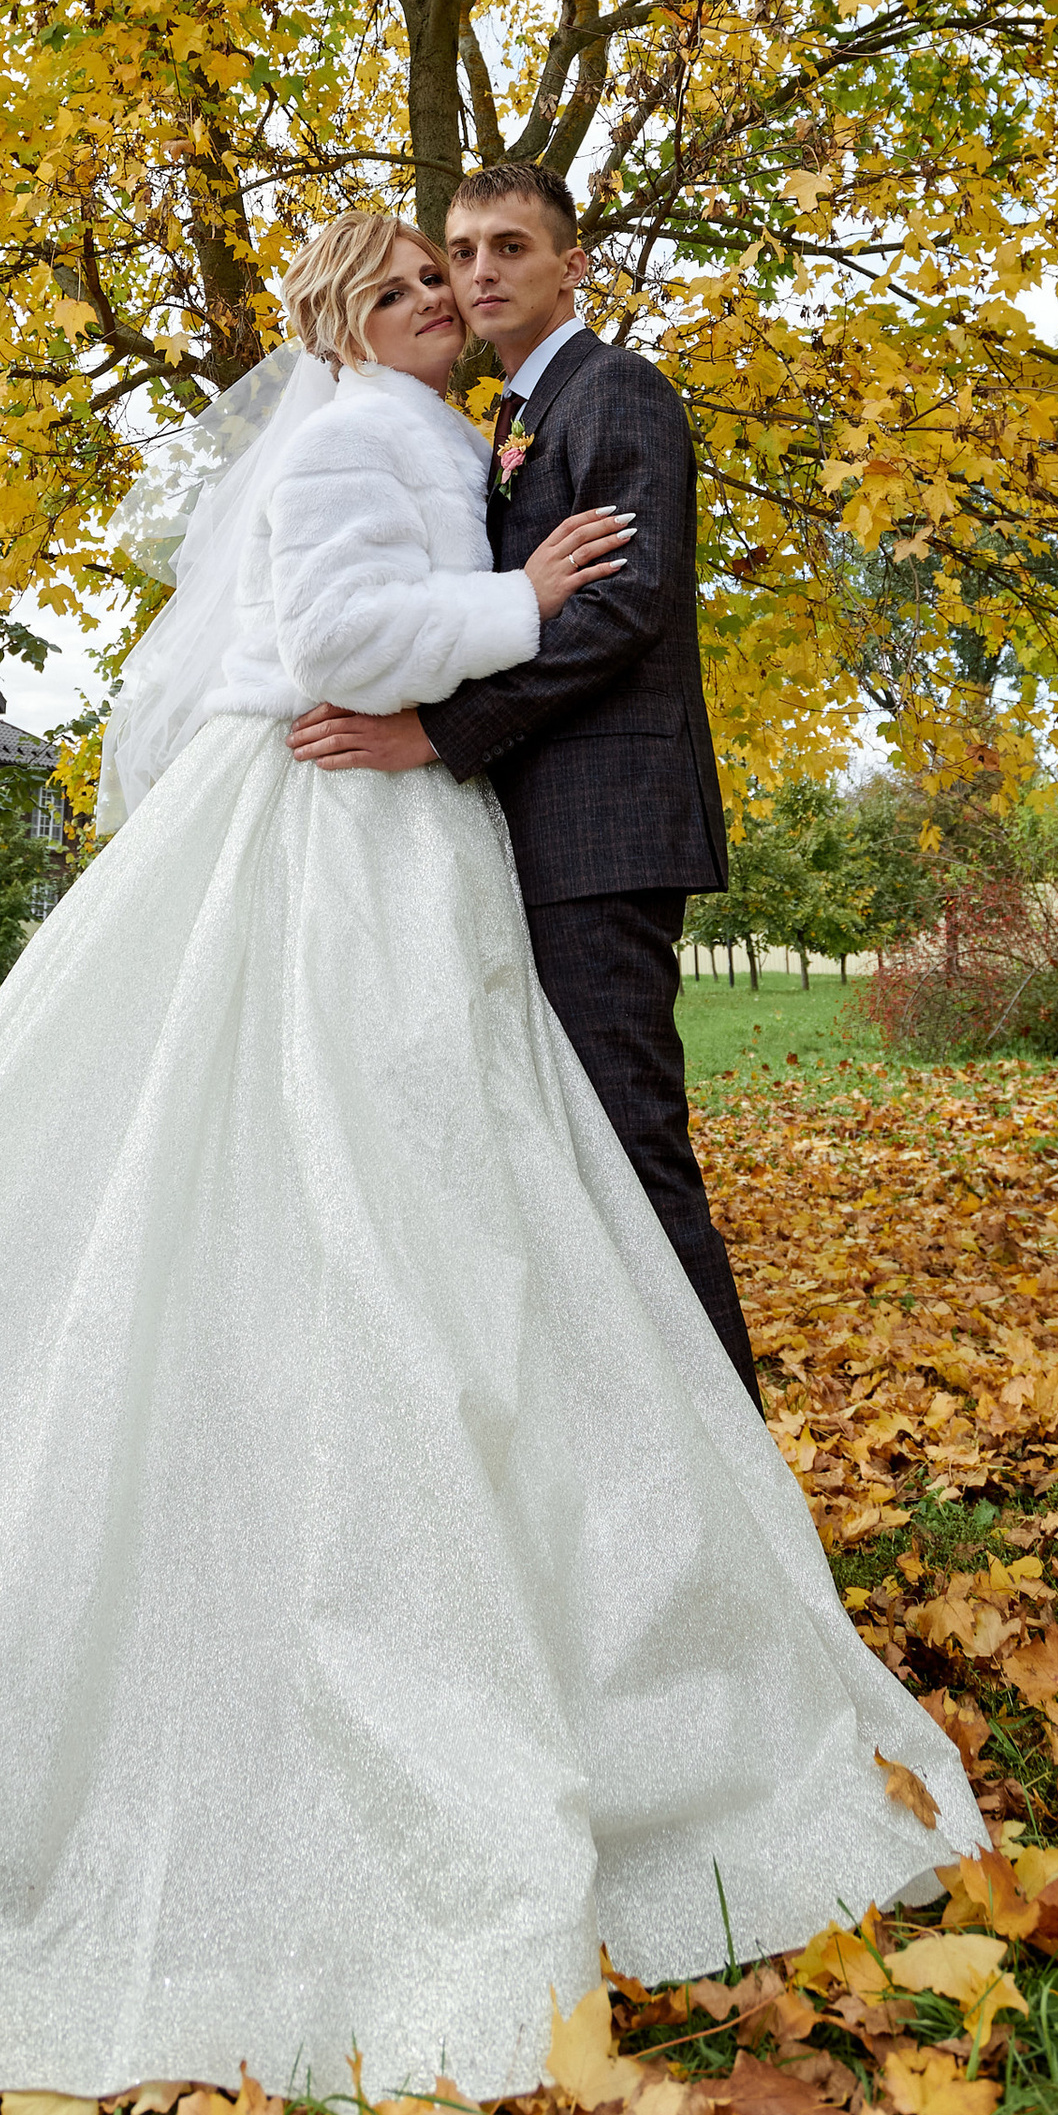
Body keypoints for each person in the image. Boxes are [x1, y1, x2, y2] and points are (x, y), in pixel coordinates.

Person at [0, 209, 983, 2105]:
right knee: (336, 1170)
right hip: (344, 824)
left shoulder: (479, 426)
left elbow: (531, 605)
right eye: (412, 281)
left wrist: (511, 608)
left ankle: (638, 1548)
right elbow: (337, 636)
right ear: (349, 315)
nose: (444, 296)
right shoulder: (356, 437)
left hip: (430, 837)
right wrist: (514, 605)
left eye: (463, 274)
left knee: (484, 1185)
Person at [289, 164, 755, 1395]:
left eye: (508, 246)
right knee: (570, 1159)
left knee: (630, 1148)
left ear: (572, 263)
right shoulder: (498, 425)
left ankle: (736, 1480)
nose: (478, 272)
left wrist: (437, 736)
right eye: (459, 253)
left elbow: (622, 613)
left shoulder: (618, 394)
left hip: (603, 832)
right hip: (533, 833)